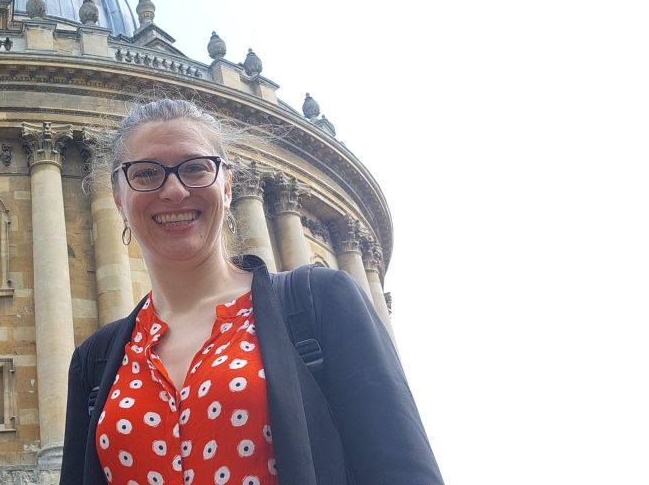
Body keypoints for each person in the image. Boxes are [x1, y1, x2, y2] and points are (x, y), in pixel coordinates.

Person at [59, 99, 442, 485]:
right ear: (119, 200)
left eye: (195, 168)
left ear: (227, 186)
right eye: (146, 173)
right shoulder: (96, 360)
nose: (174, 190)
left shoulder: (320, 301)